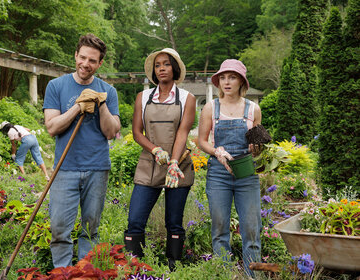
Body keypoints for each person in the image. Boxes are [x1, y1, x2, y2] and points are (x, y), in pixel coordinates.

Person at [43, 34, 121, 268]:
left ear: (100, 63)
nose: (86, 64)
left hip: (97, 167)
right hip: (65, 167)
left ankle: (85, 272)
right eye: (83, 57)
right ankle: (62, 272)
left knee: (90, 228)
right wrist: (78, 106)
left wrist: (102, 104)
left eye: (92, 60)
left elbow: (111, 131)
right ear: (75, 55)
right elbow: (52, 127)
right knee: (59, 227)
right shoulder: (56, 86)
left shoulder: (108, 91)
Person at [124, 48, 196, 270]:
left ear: (174, 68)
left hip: (178, 164)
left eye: (166, 64)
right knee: (135, 219)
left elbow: (183, 132)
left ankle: (173, 268)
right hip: (149, 165)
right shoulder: (143, 97)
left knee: (173, 222)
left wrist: (173, 162)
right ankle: (135, 267)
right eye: (157, 65)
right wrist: (155, 150)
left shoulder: (187, 98)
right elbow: (137, 132)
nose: (162, 68)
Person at [198, 59, 262, 277]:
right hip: (218, 174)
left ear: (241, 81)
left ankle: (252, 275)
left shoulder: (253, 108)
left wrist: (257, 148)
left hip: (246, 174)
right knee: (219, 228)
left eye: (232, 77)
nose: (227, 82)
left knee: (252, 229)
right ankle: (224, 273)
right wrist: (217, 151)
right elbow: (202, 141)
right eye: (223, 77)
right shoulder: (210, 108)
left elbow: (257, 147)